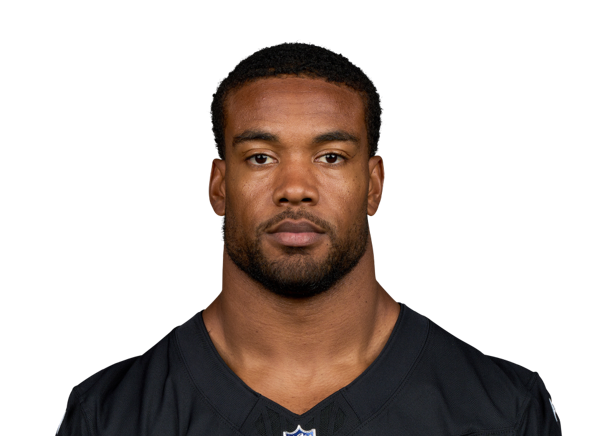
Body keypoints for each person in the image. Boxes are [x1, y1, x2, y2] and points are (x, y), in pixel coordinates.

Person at [57, 41, 562, 435]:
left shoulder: (504, 409)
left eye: (330, 157)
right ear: (218, 186)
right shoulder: (109, 415)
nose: (295, 188)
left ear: (374, 185)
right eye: (261, 157)